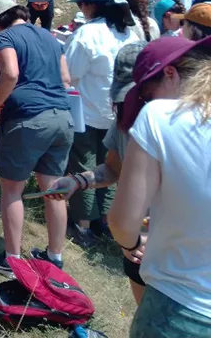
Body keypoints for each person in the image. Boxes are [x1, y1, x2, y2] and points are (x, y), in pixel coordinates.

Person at [108, 35, 211, 338]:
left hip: (181, 310)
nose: (149, 104)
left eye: (149, 95)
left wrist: (130, 243)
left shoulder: (161, 117)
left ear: (170, 73)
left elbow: (123, 222)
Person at [0, 0, 74, 277]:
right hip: (62, 117)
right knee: (53, 191)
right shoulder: (50, 36)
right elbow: (66, 79)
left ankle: (12, 262)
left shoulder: (6, 37)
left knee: (11, 190)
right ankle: (54, 258)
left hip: (28, 119)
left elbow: (9, 73)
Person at [48, 42, 148, 304]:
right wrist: (77, 181)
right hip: (137, 244)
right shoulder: (125, 118)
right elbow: (114, 168)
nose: (133, 103)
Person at [64, 0, 138, 247]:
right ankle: (104, 222)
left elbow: (71, 74)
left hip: (88, 112)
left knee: (84, 163)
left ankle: (83, 226)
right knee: (112, 166)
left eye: (83, 3)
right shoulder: (128, 33)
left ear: (91, 5)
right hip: (120, 113)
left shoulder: (87, 34)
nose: (82, 8)